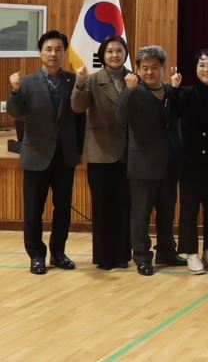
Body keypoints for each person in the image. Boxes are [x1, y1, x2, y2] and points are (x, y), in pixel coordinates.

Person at [7, 30, 81, 275]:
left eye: (58, 49)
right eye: (48, 49)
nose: (53, 54)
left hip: (65, 156)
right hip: (36, 155)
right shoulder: (26, 82)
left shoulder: (73, 81)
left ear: (64, 53)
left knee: (63, 210)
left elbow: (80, 119)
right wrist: (14, 90)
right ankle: (36, 255)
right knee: (33, 210)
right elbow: (16, 112)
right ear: (40, 53)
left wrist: (79, 150)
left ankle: (58, 253)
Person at [70, 35, 131, 270]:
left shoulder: (133, 78)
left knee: (124, 206)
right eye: (110, 51)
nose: (115, 55)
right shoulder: (93, 79)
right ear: (102, 55)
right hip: (100, 152)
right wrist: (79, 83)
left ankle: (122, 255)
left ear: (125, 54)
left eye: (119, 51)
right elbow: (77, 107)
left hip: (128, 152)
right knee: (103, 207)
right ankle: (104, 257)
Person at [118, 45, 178, 276]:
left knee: (167, 212)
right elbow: (121, 117)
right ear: (138, 70)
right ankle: (142, 257)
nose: (150, 72)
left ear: (163, 68)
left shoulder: (171, 91)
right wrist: (128, 91)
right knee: (140, 215)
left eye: (154, 67)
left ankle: (167, 251)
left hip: (169, 163)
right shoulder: (134, 91)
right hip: (142, 163)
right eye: (145, 68)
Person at [174, 48, 208, 274]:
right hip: (191, 162)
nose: (206, 69)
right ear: (195, 68)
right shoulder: (185, 93)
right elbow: (172, 115)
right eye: (201, 65)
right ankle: (191, 253)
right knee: (189, 210)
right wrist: (174, 89)